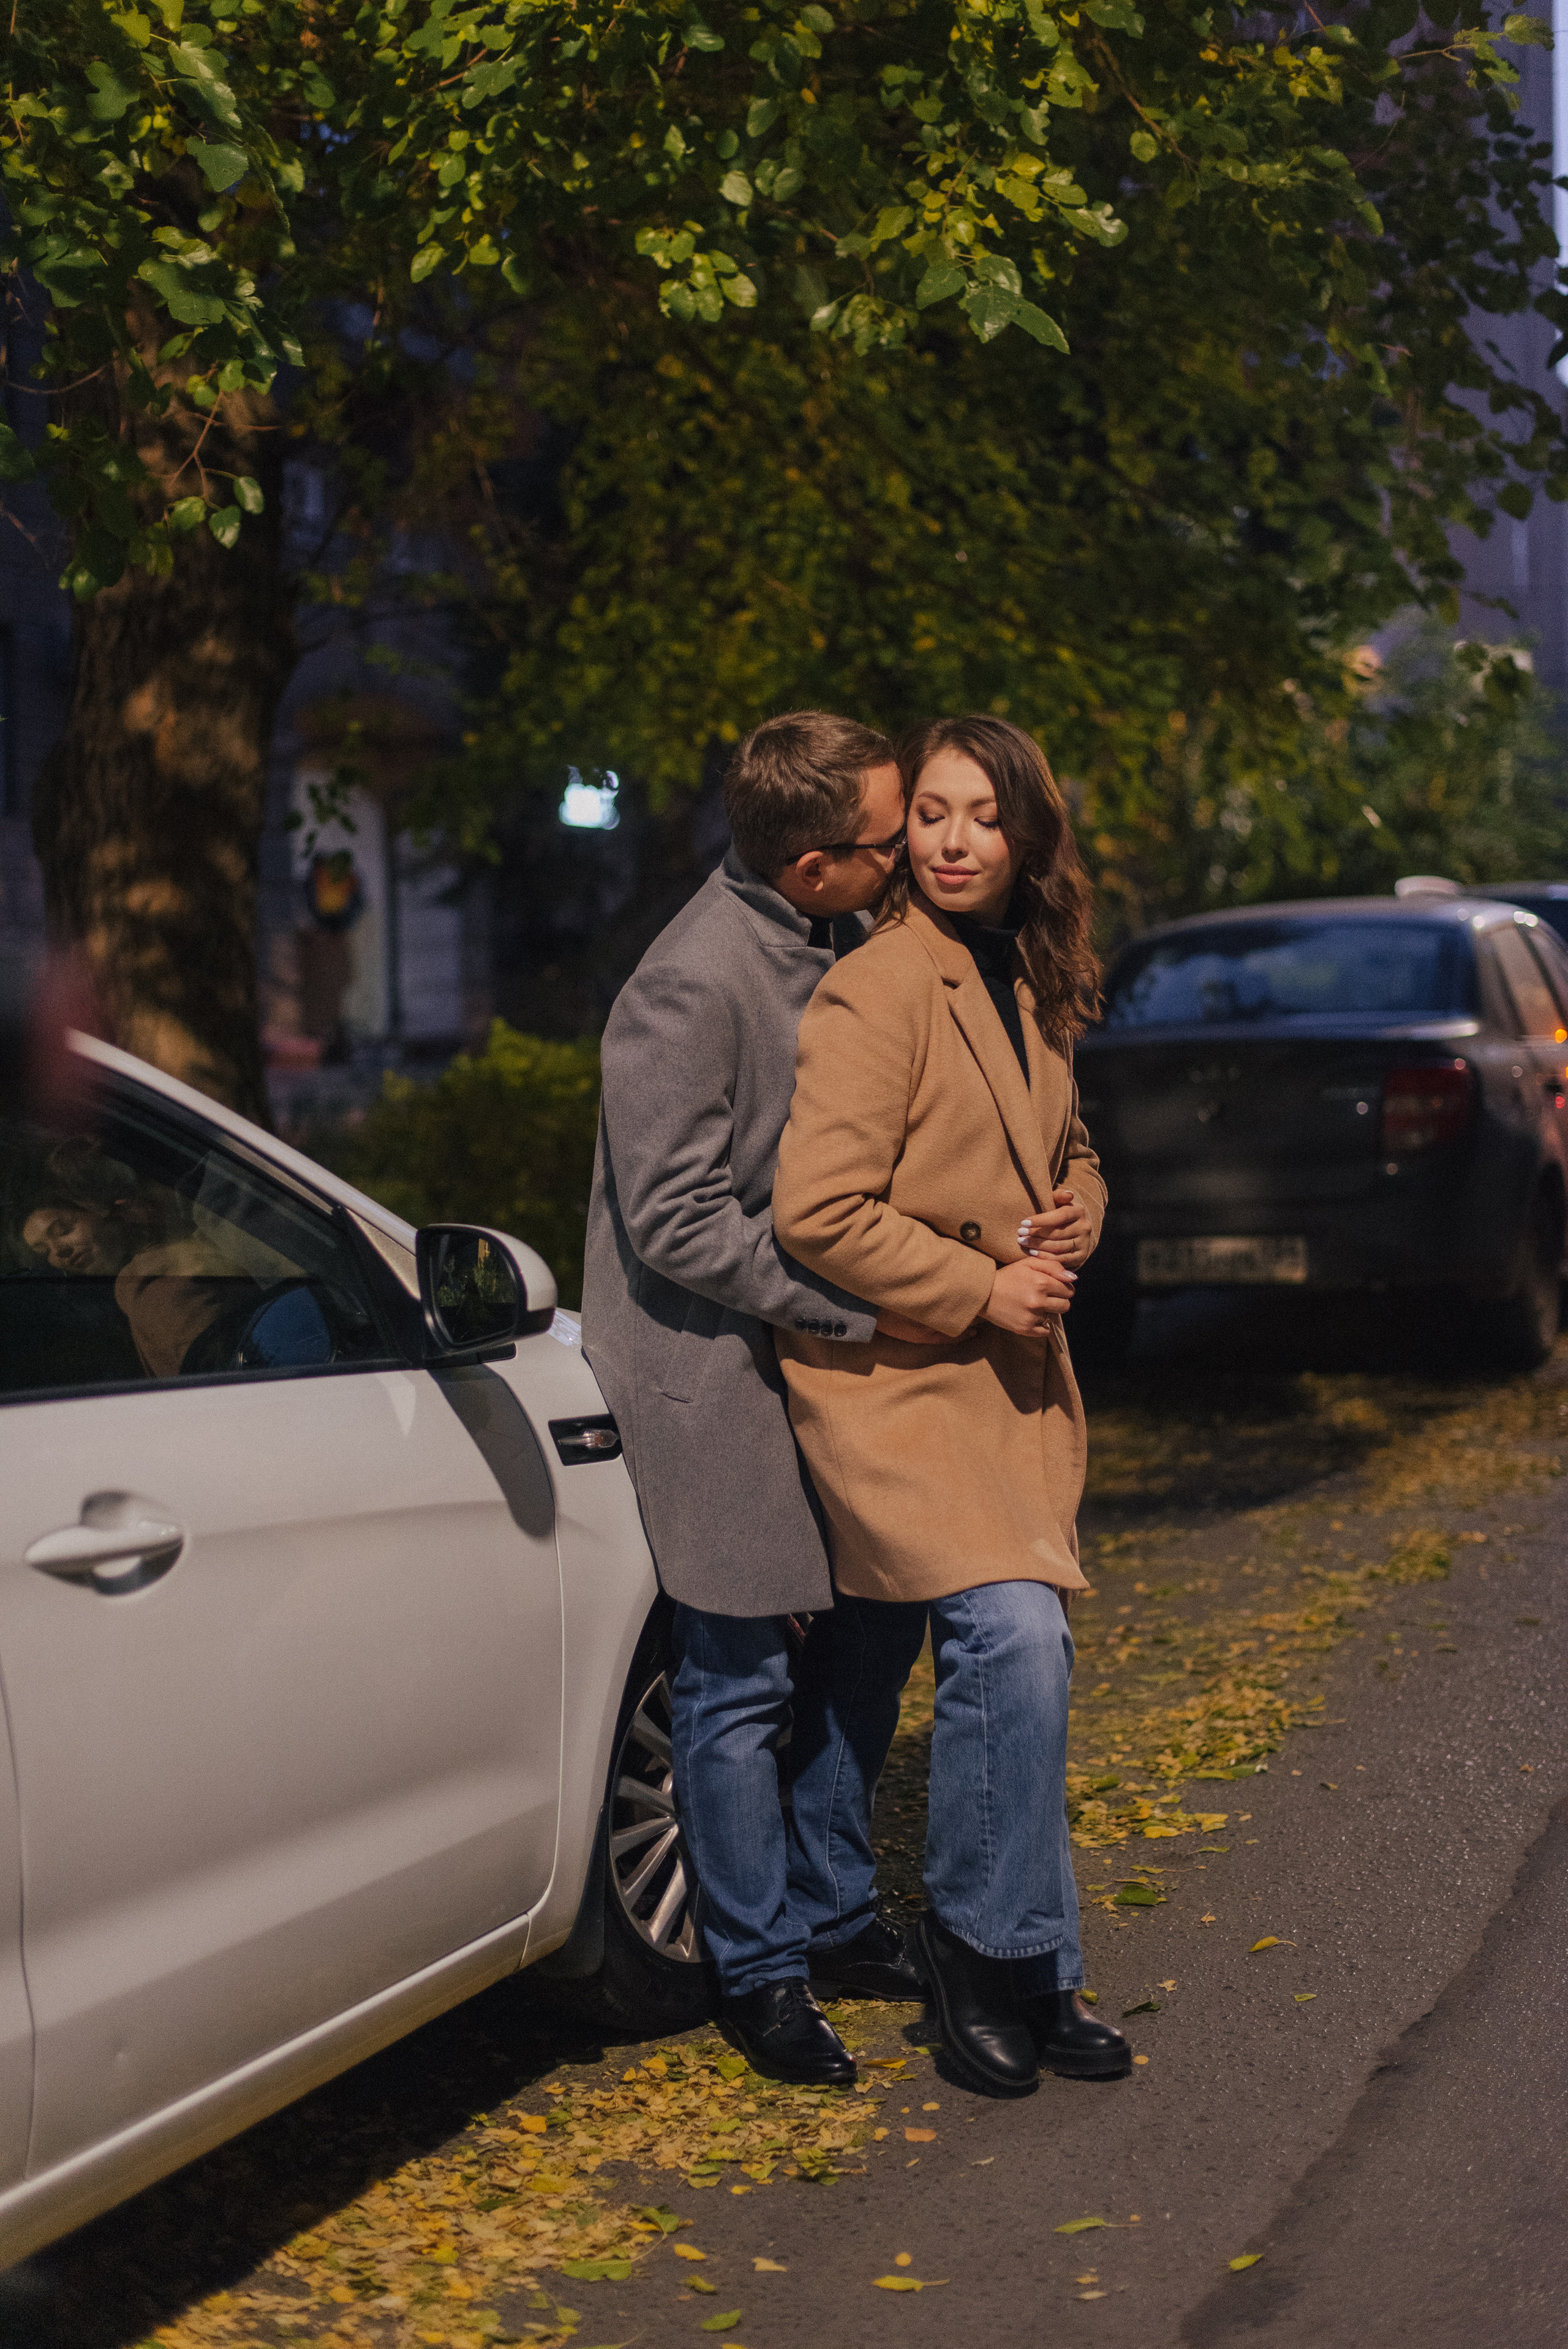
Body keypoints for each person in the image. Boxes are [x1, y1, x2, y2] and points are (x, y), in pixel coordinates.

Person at [772, 713, 1134, 2095]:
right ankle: (982, 1964)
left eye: (981, 815)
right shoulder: (878, 987)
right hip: (896, 1387)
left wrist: (1073, 1218)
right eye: (929, 813)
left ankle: (1028, 1968)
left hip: (1000, 1381)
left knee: (1017, 1661)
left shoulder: (1028, 976)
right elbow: (816, 1211)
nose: (952, 838)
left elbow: (1072, 1147)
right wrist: (977, 1290)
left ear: (1027, 832)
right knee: (1014, 1641)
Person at [582, 711, 930, 2087]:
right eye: (883, 842)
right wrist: (852, 1298)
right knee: (733, 1680)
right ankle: (759, 1972)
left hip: (820, 1359)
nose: (905, 855)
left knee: (870, 1630)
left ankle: (834, 1911)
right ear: (809, 865)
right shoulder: (686, 984)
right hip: (705, 1370)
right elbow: (670, 1225)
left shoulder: (841, 938)